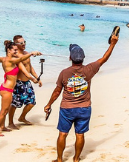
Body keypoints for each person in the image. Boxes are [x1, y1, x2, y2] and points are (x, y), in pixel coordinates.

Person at [44, 33, 119, 162]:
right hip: (84, 108)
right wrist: (113, 44)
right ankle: (76, 159)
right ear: (83, 58)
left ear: (69, 58)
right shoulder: (89, 69)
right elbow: (104, 58)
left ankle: (59, 159)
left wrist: (48, 104)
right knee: (80, 134)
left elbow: (57, 91)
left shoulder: (64, 73)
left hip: (67, 109)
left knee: (63, 134)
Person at [0, 38, 41, 136]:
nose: (16, 51)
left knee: (5, 110)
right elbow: (21, 59)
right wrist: (32, 53)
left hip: (7, 88)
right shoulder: (10, 60)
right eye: (14, 50)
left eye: (16, 50)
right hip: (7, 89)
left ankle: (2, 126)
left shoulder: (4, 59)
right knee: (4, 111)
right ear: (9, 51)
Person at [8, 35, 42, 129]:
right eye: (21, 43)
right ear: (16, 44)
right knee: (15, 104)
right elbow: (23, 70)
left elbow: (30, 68)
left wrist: (37, 78)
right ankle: (10, 122)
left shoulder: (26, 53)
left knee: (31, 102)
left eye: (24, 42)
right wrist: (32, 79)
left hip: (27, 83)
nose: (24, 44)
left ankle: (22, 117)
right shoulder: (16, 56)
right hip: (19, 83)